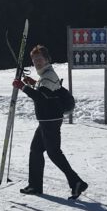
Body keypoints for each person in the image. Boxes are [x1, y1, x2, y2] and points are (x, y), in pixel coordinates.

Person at [12, 44, 88, 200]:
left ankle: (76, 182)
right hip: (47, 119)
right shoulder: (45, 75)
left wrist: (23, 87)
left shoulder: (49, 75)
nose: (37, 62)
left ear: (46, 59)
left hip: (50, 120)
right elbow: (45, 91)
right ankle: (35, 185)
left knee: (54, 153)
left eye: (39, 59)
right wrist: (32, 83)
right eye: (34, 60)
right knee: (36, 150)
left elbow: (41, 97)